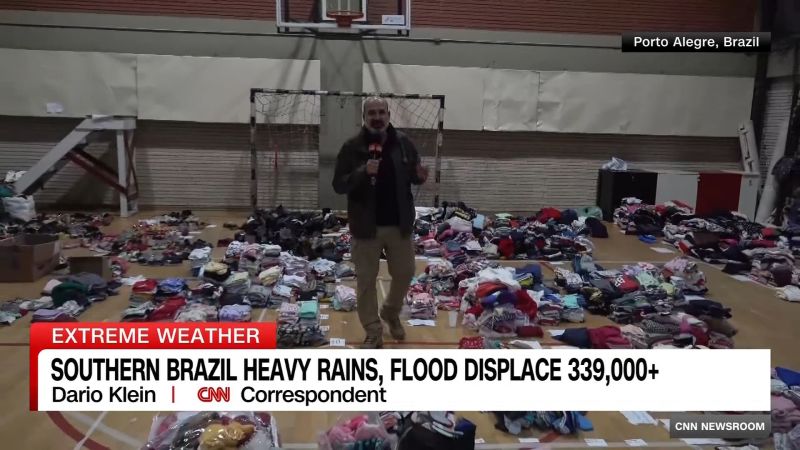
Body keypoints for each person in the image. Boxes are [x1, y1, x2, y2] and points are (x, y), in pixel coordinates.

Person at [332, 97, 429, 348]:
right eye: (372, 113)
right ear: (364, 117)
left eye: (381, 112)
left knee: (405, 273)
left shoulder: (403, 143)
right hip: (366, 227)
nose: (377, 117)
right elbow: (338, 184)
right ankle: (373, 331)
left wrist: (419, 176)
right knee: (366, 282)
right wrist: (362, 171)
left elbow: (413, 174)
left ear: (388, 115)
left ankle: (390, 311)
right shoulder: (351, 147)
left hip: (399, 223)